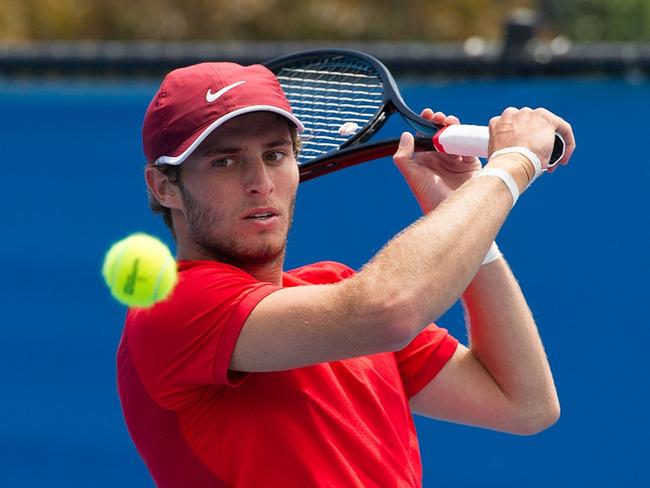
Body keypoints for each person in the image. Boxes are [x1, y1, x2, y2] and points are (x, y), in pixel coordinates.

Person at [117, 61, 575, 487]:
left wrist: (464, 204)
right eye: (225, 161)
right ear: (164, 186)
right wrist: (511, 166)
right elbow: (387, 311)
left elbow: (524, 402)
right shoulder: (171, 307)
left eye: (275, 155)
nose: (260, 181)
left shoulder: (333, 288)